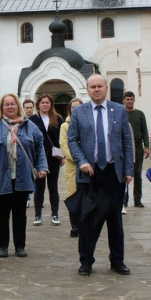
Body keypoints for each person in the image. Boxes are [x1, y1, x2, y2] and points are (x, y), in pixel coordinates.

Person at [66, 74, 135, 276]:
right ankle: (86, 261)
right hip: (90, 174)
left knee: (115, 220)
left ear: (106, 88)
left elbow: (127, 142)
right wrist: (82, 161)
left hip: (113, 173)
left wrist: (128, 170)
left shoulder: (119, 111)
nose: (96, 90)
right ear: (87, 90)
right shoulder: (79, 112)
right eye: (92, 87)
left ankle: (117, 261)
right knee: (88, 221)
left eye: (100, 86)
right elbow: (72, 140)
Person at [0, 94, 48, 258]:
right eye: (6, 105)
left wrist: (42, 167)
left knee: (20, 214)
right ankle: (2, 246)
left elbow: (39, 147)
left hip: (22, 176)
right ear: (2, 107)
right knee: (1, 213)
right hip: (1, 176)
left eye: (12, 104)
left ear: (18, 106)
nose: (9, 107)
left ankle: (20, 246)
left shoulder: (30, 126)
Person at [28, 93, 62, 226]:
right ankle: (37, 215)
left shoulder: (57, 118)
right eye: (43, 102)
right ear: (38, 105)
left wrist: (62, 156)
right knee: (39, 187)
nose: (45, 105)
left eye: (47, 102)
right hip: (39, 158)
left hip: (53, 157)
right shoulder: (33, 120)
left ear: (51, 105)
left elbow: (60, 138)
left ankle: (55, 213)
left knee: (53, 186)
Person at [59, 98, 84, 237]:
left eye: (78, 107)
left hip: (87, 166)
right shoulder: (65, 126)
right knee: (73, 196)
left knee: (86, 195)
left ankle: (85, 224)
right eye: (73, 107)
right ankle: (75, 226)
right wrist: (77, 159)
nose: (75, 109)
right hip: (73, 166)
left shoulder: (87, 123)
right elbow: (64, 145)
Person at [123, 91, 149, 209]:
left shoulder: (140, 114)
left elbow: (145, 130)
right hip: (124, 147)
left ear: (134, 100)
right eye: (127, 99)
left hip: (138, 147)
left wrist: (147, 146)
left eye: (131, 99)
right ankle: (124, 199)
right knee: (125, 174)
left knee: (137, 174)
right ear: (124, 100)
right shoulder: (121, 113)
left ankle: (137, 199)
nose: (129, 101)